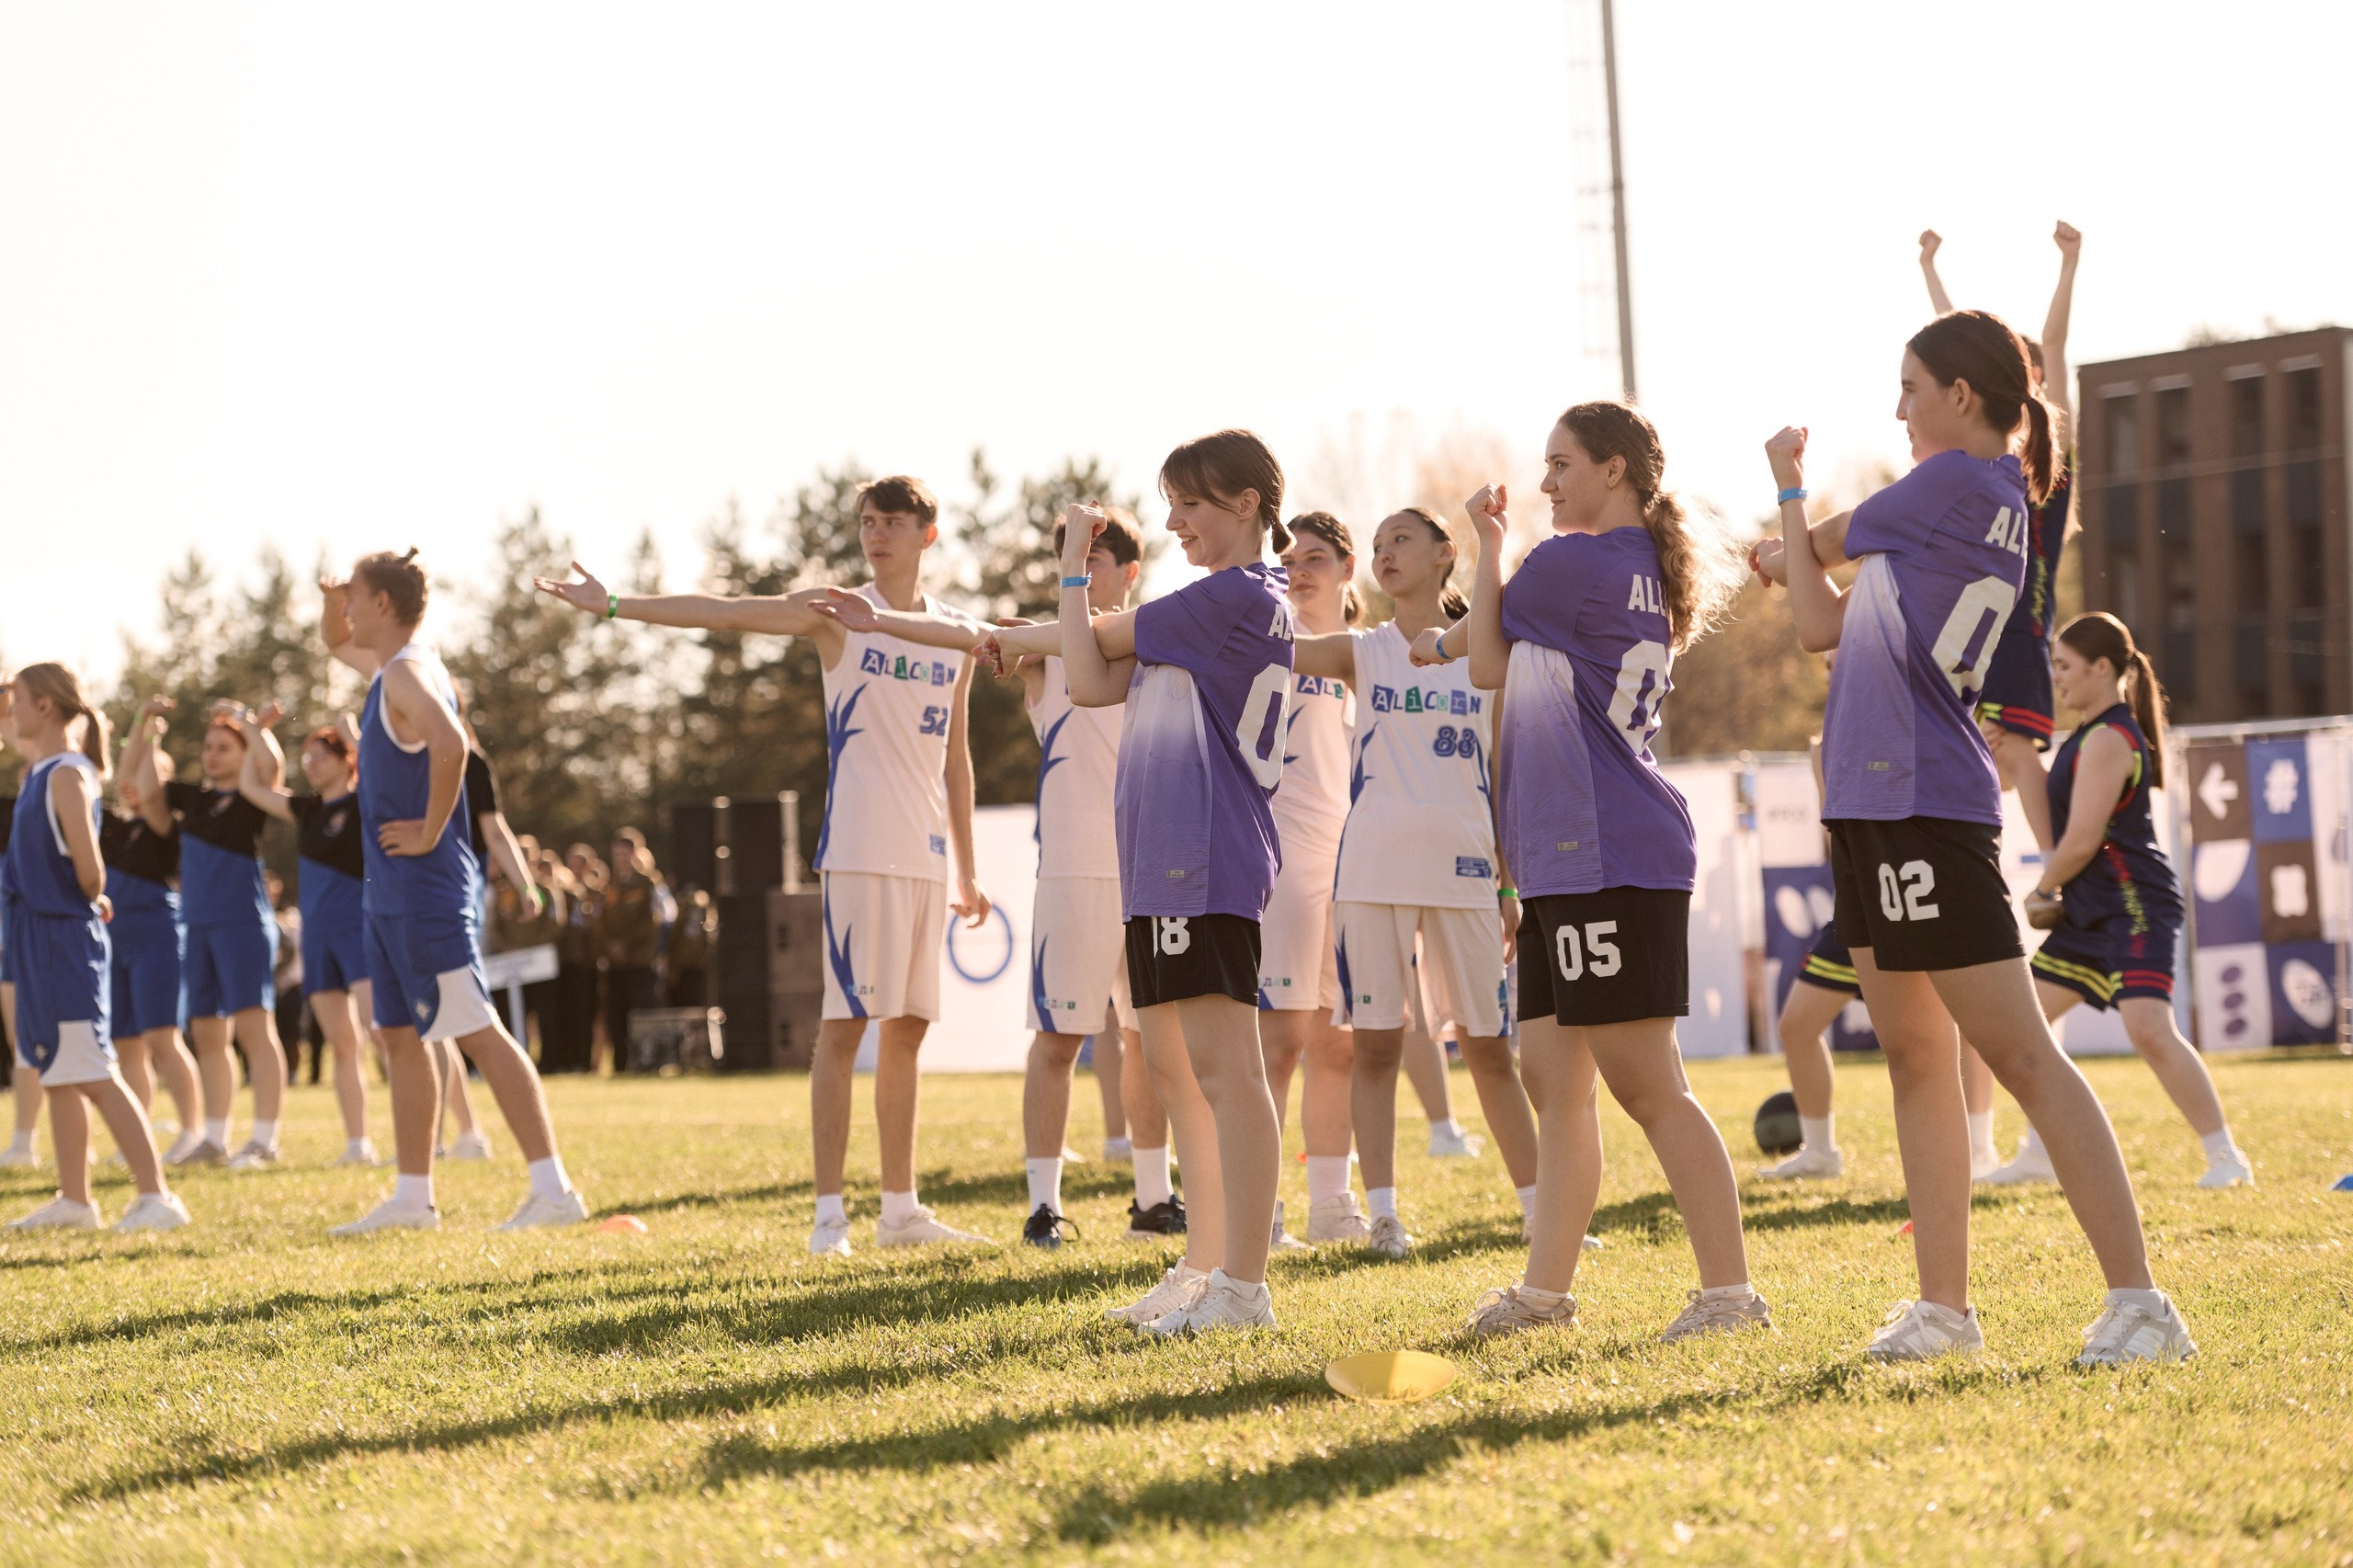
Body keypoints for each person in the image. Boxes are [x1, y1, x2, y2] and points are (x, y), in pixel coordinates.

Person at [1755, 308, 2195, 1364]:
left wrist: (1783, 488)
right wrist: (1791, 543)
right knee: (1914, 1054)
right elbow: (1819, 622)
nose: (1898, 408)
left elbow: (1805, 569)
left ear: (1962, 395)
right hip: (1876, 803)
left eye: (1911, 387)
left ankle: (2142, 1305)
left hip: (1919, 800)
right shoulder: (1974, 495)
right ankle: (1943, 1308)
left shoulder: (1951, 483)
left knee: (2020, 1055)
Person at [537, 475, 994, 1253]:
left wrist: (968, 869)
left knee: (909, 1030)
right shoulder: (835, 613)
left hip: (925, 858)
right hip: (855, 849)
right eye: (867, 522)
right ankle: (827, 1217)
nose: (876, 534)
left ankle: (900, 1210)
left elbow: (957, 758)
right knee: (844, 1027)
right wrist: (617, 605)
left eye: (892, 522)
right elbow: (726, 613)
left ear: (930, 532)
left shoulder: (956, 634)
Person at [1418, 403, 1765, 1345]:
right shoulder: (1635, 564)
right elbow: (1491, 651)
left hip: (1603, 851)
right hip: (1577, 855)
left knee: (1646, 1084)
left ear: (1615, 470)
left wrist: (1489, 542)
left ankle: (1729, 1295)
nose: (1546, 483)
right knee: (1552, 1072)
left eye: (1562, 464)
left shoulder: (1569, 561)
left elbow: (1484, 658)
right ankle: (1544, 1292)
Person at [980, 430, 1297, 1334]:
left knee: (1227, 1073)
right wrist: (1077, 575)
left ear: (1245, 503)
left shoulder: (1230, 596)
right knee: (1173, 1069)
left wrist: (1055, 597)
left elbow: (1077, 649)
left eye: (1190, 503)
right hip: (1161, 864)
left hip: (1203, 858)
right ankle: (1203, 1267)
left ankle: (1243, 1283)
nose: (1174, 522)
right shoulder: (1205, 604)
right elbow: (1085, 678)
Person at [816, 506, 1171, 1249]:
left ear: (1130, 573)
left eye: (1098, 562)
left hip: (1151, 874)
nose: (1083, 573)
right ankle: (1044, 1206)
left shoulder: (1158, 643)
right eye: (1074, 560)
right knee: (1059, 1040)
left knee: (1147, 1041)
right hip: (1074, 874)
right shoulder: (1044, 650)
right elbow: (961, 638)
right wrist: (879, 622)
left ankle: (1153, 1199)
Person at [1291, 506, 1542, 1258]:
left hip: (1467, 868)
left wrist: (1507, 883)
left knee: (1490, 1048)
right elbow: (1260, 650)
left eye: (1402, 539)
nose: (1385, 552)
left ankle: (1540, 1212)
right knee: (1375, 1047)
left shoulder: (1486, 654)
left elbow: (1503, 773)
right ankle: (1385, 1216)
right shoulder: (1358, 651)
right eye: (1377, 545)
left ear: (1445, 554)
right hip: (1369, 871)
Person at [320, 551, 588, 1233]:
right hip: (389, 893)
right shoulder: (389, 669)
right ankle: (413, 1198)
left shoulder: (409, 670)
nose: (347, 606)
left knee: (477, 1032)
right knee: (400, 1036)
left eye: (354, 595)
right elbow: (334, 640)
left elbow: (452, 747)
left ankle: (553, 1190)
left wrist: (431, 829)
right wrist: (329, 596)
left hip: (424, 890)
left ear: (383, 603)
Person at [1984, 614, 2252, 1189]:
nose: (2055, 678)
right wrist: (2018, 758)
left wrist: (2043, 887)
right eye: (2053, 666)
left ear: (2101, 668)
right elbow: (2058, 836)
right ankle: (2038, 1154)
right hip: (2090, 911)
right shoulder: (2087, 735)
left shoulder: (2110, 738)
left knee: (2150, 1030)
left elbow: (2083, 841)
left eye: (2064, 666)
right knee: (2019, 1026)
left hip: (2134, 905)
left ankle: (2227, 1159)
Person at [2, 664, 190, 1232]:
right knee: (59, 1071)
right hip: (41, 938)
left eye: (18, 701)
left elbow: (91, 872)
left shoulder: (65, 775)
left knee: (94, 1073)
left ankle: (158, 1198)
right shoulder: (41, 770)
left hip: (63, 941)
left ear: (45, 707)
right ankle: (76, 1201)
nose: (10, 712)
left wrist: (88, 899)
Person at [1918, 222, 2081, 851]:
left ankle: (2059, 869)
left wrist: (2069, 265)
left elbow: (2059, 346)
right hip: (1972, 627)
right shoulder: (1981, 462)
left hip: (2018, 625)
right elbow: (1950, 352)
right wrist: (1929, 269)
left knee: (2013, 748)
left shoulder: (2046, 464)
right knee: (1976, 752)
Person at [1251, 512, 1363, 1252]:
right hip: (1281, 856)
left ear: (1347, 568)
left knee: (1340, 1041)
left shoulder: (1366, 655)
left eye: (1317, 557)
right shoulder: (1266, 645)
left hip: (1351, 858)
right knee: (1279, 1041)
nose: (1301, 569)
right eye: (1290, 558)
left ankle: (1332, 1203)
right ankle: (1262, 1210)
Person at [125, 695, 290, 1169]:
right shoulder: (192, 801)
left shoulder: (252, 796)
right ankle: (215, 1140)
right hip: (195, 927)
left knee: (255, 1032)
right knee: (208, 1035)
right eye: (210, 746)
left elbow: (272, 763)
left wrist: (248, 723)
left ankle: (264, 1140)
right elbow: (139, 779)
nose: (212, 754)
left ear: (241, 756)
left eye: (224, 747)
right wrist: (143, 726)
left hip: (243, 925)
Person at [232, 707, 381, 1165]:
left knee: (385, 1034)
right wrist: (256, 734)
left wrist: (353, 734)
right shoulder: (308, 808)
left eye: (320, 756)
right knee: (342, 1042)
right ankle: (358, 1144)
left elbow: (384, 771)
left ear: (346, 760)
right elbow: (251, 788)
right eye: (307, 758)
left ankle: (429, 1140)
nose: (310, 764)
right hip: (319, 937)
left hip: (359, 930)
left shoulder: (365, 799)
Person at [96, 731, 204, 1163]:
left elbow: (146, 787)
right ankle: (137, 1135)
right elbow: (125, 774)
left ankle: (193, 1131)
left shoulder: (166, 828)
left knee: (163, 1039)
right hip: (115, 943)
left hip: (156, 938)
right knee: (126, 1045)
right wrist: (140, 730)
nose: (136, 784)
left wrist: (151, 734)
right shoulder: (114, 827)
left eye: (151, 776)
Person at [598, 827, 669, 1070]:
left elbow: (652, 922)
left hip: (640, 961)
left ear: (636, 853)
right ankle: (620, 1065)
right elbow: (603, 922)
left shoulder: (648, 882)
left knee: (644, 1015)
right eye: (616, 854)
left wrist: (624, 945)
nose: (619, 859)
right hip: (616, 963)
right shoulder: (610, 885)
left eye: (624, 854)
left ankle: (648, 1064)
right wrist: (609, 946)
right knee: (616, 1016)